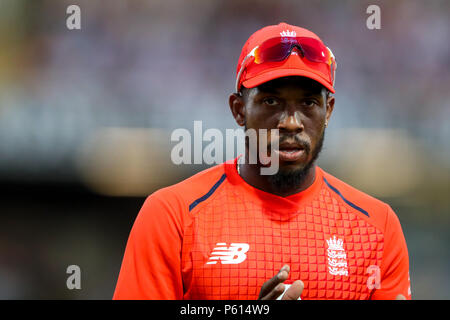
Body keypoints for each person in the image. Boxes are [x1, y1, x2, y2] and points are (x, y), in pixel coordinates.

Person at [113, 22, 411, 300]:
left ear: (328, 111)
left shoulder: (377, 227)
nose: (291, 123)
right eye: (271, 101)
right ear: (239, 109)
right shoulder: (172, 215)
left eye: (308, 103)